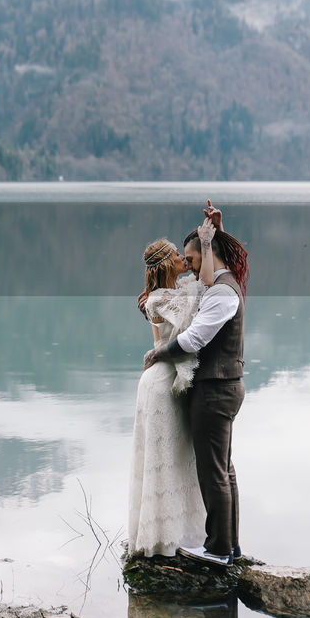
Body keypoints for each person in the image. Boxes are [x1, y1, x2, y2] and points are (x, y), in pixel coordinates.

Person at [143, 204, 249, 567]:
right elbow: (204, 279)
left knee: (213, 471)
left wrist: (160, 354)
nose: (186, 265)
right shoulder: (220, 284)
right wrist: (217, 230)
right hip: (223, 386)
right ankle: (230, 546)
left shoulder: (222, 293)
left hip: (215, 390)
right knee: (223, 468)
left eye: (190, 258)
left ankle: (218, 549)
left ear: (207, 254)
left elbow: (193, 339)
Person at [125, 217, 219, 557]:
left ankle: (174, 537)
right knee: (163, 460)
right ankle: (162, 541)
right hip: (161, 385)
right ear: (168, 264)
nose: (184, 258)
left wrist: (211, 234)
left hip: (165, 381)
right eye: (179, 255)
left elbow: (202, 285)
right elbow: (206, 289)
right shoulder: (161, 299)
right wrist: (206, 243)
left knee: (176, 458)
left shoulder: (167, 293)